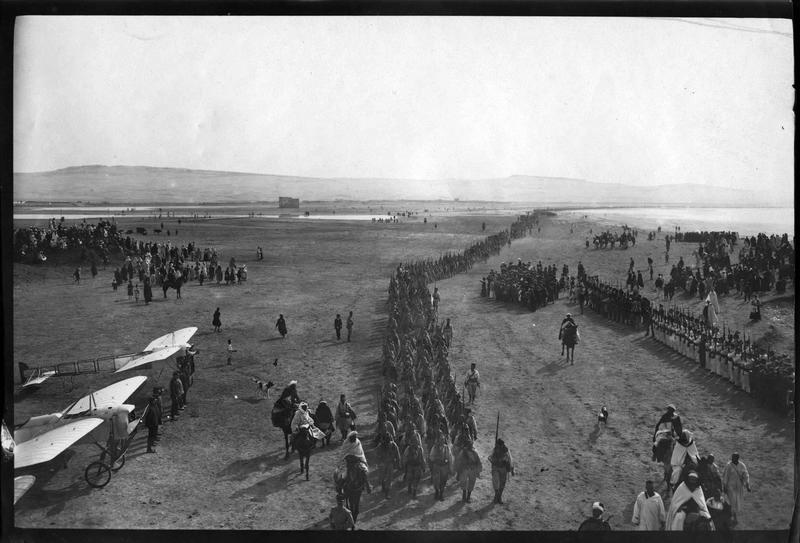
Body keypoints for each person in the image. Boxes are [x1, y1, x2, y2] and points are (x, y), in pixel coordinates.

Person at [722, 452, 751, 525]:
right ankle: (734, 517)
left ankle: (732, 514)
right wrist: (724, 486)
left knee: (737, 502)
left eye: (734, 458)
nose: (732, 459)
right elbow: (725, 476)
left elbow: (746, 475)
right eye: (732, 457)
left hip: (739, 487)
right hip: (730, 487)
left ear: (737, 458)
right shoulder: (728, 466)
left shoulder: (742, 465)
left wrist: (747, 485)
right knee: (733, 502)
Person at [454, 438, 482, 503]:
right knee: (463, 482)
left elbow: (478, 461)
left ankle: (468, 497)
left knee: (472, 482)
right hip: (465, 469)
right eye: (469, 444)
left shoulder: (475, 452)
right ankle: (464, 496)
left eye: (470, 444)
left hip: (473, 469)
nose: (470, 446)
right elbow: (458, 461)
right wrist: (458, 470)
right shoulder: (463, 452)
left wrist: (478, 470)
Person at [488, 438, 514, 504]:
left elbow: (510, 460)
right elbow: (490, 458)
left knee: (502, 484)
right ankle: (497, 496)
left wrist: (511, 469)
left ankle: (499, 497)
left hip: (503, 468)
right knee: (496, 482)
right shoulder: (495, 449)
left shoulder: (506, 450)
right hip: (496, 468)